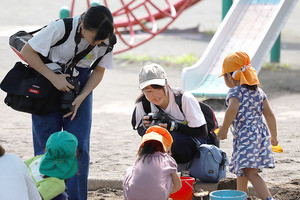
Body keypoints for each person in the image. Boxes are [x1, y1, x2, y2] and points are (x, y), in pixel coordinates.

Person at [20, 5, 114, 200]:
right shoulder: (61, 29)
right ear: (82, 25)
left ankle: (77, 197)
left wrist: (82, 96)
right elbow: (27, 52)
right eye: (93, 38)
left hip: (80, 86)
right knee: (46, 146)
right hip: (47, 82)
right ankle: (47, 195)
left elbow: (99, 71)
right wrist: (54, 79)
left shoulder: (107, 39)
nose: (96, 43)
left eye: (100, 41)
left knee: (79, 146)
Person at [217, 51, 278, 200]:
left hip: (246, 136)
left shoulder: (235, 92)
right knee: (242, 171)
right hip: (259, 136)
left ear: (231, 76)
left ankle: (269, 198)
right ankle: (240, 197)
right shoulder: (259, 92)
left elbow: (232, 109)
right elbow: (269, 115)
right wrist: (274, 136)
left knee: (251, 172)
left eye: (225, 76)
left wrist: (224, 128)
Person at [131, 63, 209, 164]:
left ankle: (174, 166)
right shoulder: (143, 104)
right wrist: (148, 127)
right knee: (150, 136)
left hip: (193, 146)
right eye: (149, 91)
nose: (155, 95)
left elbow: (202, 132)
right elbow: (140, 131)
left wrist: (173, 126)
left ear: (166, 84)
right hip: (167, 147)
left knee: (169, 135)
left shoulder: (184, 99)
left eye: (158, 88)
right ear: (143, 91)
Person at [123, 126, 182, 200]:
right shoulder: (167, 159)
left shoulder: (139, 159)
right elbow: (178, 186)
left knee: (129, 170)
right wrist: (166, 193)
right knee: (170, 175)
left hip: (132, 196)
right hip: (158, 197)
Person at [25, 131, 78, 200]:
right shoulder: (56, 183)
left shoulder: (37, 159)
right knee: (61, 196)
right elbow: (34, 197)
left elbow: (18, 167)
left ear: (46, 149)